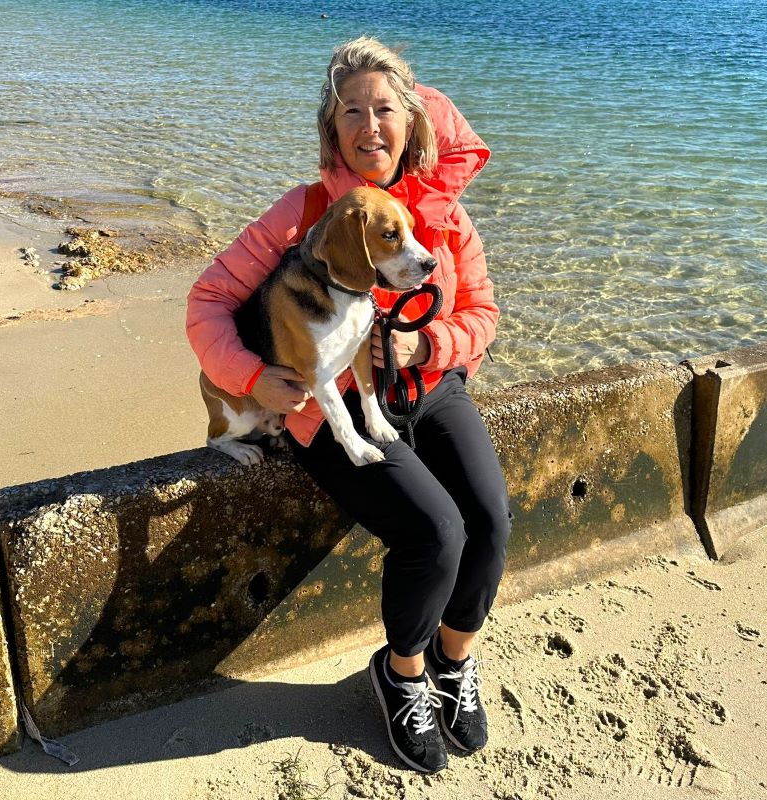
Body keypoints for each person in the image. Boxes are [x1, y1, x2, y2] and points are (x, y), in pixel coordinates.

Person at [186, 36, 511, 774]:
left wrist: (427, 347)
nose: (370, 126)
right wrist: (250, 376)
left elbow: (484, 314)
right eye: (351, 112)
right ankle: (402, 674)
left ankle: (454, 660)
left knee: (491, 521)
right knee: (436, 532)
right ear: (331, 129)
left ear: (412, 119)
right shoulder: (303, 212)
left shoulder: (443, 214)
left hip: (431, 386)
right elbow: (208, 301)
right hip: (329, 410)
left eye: (384, 109)